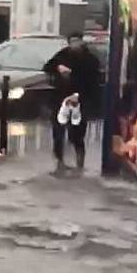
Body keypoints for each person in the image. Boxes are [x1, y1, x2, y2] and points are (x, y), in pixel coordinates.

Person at [43, 32, 102, 171]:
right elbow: (47, 66)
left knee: (77, 132)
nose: (74, 44)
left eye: (77, 41)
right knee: (58, 131)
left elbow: (93, 82)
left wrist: (85, 98)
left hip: (80, 100)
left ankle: (79, 161)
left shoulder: (90, 59)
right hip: (61, 98)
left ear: (82, 42)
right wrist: (58, 68)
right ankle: (59, 161)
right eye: (72, 41)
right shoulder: (62, 55)